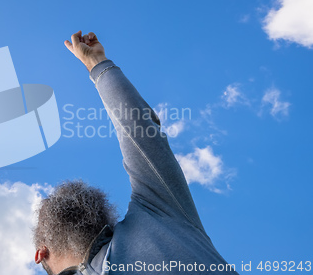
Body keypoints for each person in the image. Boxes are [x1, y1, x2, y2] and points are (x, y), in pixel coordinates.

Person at [32, 31, 239, 275]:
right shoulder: (160, 212)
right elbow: (139, 130)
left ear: (41, 254)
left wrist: (97, 65)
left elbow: (138, 130)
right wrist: (96, 64)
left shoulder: (157, 210)